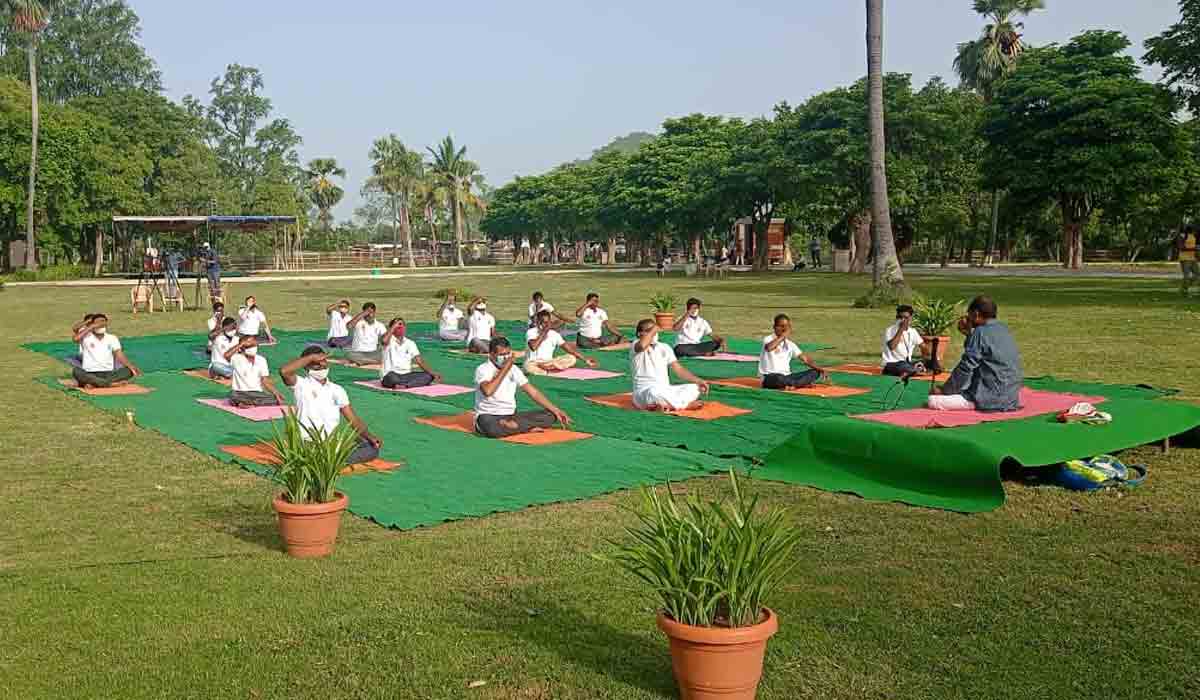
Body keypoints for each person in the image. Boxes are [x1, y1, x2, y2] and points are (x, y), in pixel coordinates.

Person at [279, 347, 383, 464]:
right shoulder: (301, 384)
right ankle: (329, 460)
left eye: (323, 360)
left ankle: (332, 460)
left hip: (332, 445)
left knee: (370, 447)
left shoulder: (337, 389)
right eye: (315, 363)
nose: (322, 365)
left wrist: (369, 436)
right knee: (321, 456)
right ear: (306, 366)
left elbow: (352, 419)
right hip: (309, 445)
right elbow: (284, 371)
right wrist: (311, 357)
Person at [929, 296, 1023, 412]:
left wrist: (944, 391)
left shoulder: (980, 332)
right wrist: (969, 335)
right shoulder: (1003, 329)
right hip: (1011, 398)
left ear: (976, 314)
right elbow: (980, 355)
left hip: (989, 399)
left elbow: (966, 367)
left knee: (933, 400)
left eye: (969, 314)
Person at [473, 337, 572, 438]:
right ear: (491, 354)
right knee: (491, 429)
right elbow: (488, 391)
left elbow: (533, 392)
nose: (506, 357)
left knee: (551, 415)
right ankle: (524, 427)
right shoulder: (483, 369)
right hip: (488, 416)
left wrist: (555, 410)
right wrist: (506, 368)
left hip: (510, 416)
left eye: (508, 354)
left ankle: (516, 426)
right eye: (501, 355)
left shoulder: (514, 369)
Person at [630, 318, 710, 411]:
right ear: (639, 334)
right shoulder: (636, 345)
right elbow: (643, 345)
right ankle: (684, 406)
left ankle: (664, 406)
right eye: (649, 331)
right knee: (653, 393)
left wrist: (698, 380)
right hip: (644, 391)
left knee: (695, 388)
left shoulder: (664, 347)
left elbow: (679, 370)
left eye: (655, 330)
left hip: (666, 390)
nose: (653, 333)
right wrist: (654, 329)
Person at [71, 314, 143, 388]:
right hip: (90, 372)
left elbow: (119, 355)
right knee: (76, 371)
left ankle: (94, 383)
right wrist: (91, 327)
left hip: (108, 373)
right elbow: (75, 339)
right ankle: (110, 384)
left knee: (128, 371)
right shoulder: (86, 336)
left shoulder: (112, 338)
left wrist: (131, 367)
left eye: (103, 322)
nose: (100, 324)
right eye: (98, 322)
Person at [759, 314, 828, 390]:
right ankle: (799, 384)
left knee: (815, 372)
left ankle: (794, 384)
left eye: (786, 326)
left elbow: (805, 359)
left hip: (787, 376)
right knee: (778, 379)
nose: (784, 329)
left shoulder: (790, 344)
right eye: (781, 326)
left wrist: (820, 369)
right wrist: (783, 336)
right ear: (774, 327)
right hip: (769, 377)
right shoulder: (768, 339)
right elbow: (769, 348)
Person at [524, 310, 596, 375]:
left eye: (547, 322)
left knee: (571, 358)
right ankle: (546, 369)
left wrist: (585, 359)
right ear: (538, 322)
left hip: (549, 362)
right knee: (528, 368)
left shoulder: (554, 334)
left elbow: (569, 350)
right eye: (543, 322)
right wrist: (544, 331)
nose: (545, 325)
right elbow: (533, 347)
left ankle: (548, 368)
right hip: (533, 363)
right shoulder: (531, 332)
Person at [380, 317, 442, 388]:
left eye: (402, 324)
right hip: (391, 375)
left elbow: (419, 361)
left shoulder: (410, 343)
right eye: (397, 325)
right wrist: (394, 326)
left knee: (428, 376)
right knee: (391, 378)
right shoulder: (388, 340)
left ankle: (406, 385)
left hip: (407, 375)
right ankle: (404, 384)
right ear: (392, 328)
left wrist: (432, 373)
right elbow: (384, 341)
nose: (400, 326)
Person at [224, 337, 286, 407]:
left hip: (257, 393)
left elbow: (265, 380)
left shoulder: (262, 360)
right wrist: (241, 344)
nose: (252, 348)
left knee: (275, 400)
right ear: (241, 348)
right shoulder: (237, 358)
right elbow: (226, 355)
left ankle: (246, 403)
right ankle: (244, 402)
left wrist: (276, 393)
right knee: (233, 395)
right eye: (249, 346)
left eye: (253, 345)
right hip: (240, 392)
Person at [880, 304, 926, 378]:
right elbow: (892, 346)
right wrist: (901, 329)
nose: (902, 320)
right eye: (900, 317)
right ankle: (914, 370)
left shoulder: (912, 331)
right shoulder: (890, 330)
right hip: (892, 364)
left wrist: (929, 358)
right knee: (904, 366)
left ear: (911, 318)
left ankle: (914, 370)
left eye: (905, 317)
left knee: (932, 365)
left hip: (907, 363)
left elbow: (923, 346)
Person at [1179, 224, 1198, 296]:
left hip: (1193, 258)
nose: (1195, 230)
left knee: (1197, 275)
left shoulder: (1193, 236)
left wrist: (1196, 253)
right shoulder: (1183, 236)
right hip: (1184, 258)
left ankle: (1184, 287)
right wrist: (1194, 249)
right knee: (1186, 276)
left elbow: (1194, 247)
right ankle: (1184, 291)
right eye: (1194, 228)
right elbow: (1181, 248)